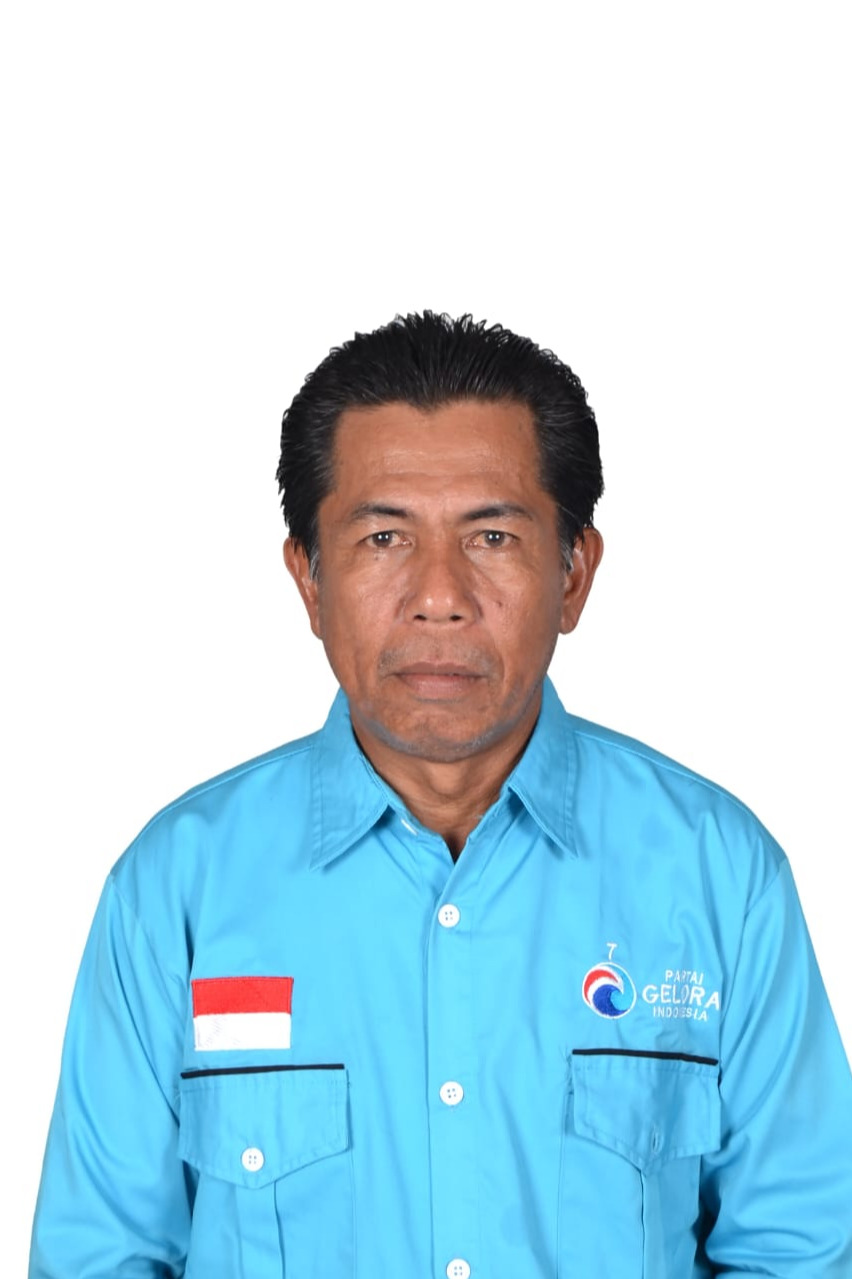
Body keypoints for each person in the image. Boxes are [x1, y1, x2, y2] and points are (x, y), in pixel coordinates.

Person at [30, 311, 852, 1278]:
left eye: (492, 535)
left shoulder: (719, 872)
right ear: (308, 579)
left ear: (574, 573)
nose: (438, 595)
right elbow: (100, 1259)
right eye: (383, 536)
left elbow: (803, 1252)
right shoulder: (176, 887)